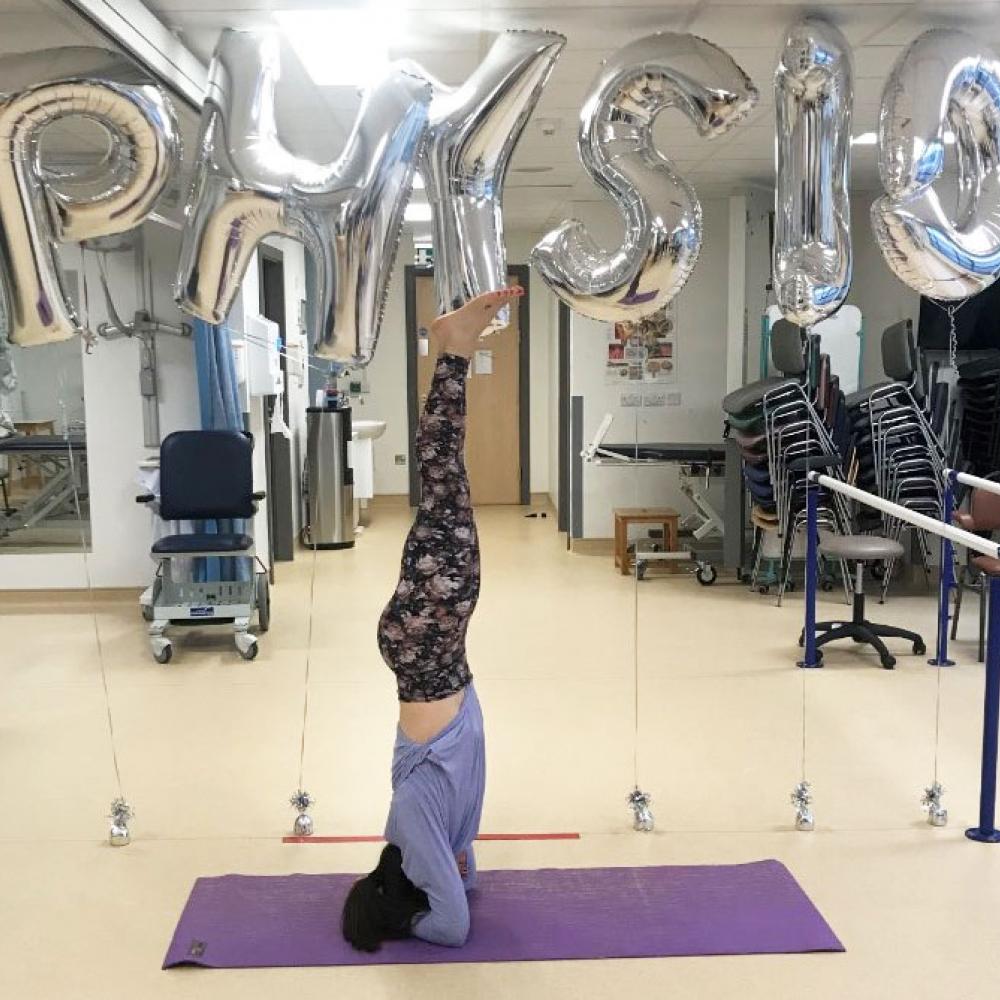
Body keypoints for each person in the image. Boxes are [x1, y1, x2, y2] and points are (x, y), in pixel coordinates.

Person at [342, 285, 524, 952]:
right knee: (449, 489)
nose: (452, 872)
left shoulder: (415, 825)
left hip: (427, 649)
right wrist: (455, 868)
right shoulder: (437, 837)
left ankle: (452, 348)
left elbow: (453, 924)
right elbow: (464, 877)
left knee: (445, 481)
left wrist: (417, 915)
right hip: (437, 656)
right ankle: (453, 349)